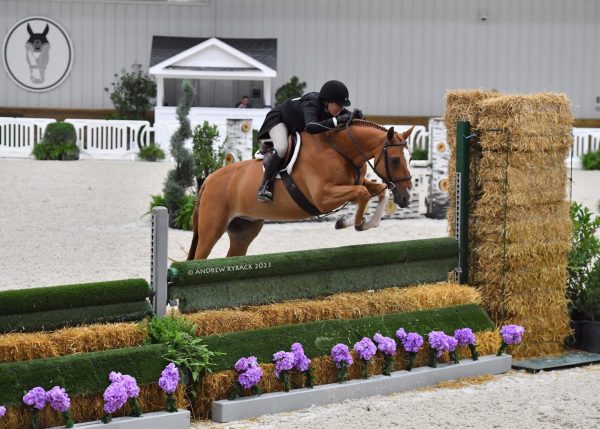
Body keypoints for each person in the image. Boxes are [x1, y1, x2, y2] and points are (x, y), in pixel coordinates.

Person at [256, 80, 364, 202]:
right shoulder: (310, 104)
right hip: (279, 119)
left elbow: (346, 116)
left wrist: (356, 115)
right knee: (282, 147)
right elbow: (311, 127)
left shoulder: (331, 107)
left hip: (294, 125)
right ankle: (264, 186)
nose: (341, 108)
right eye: (339, 105)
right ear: (328, 101)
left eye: (342, 106)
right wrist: (336, 121)